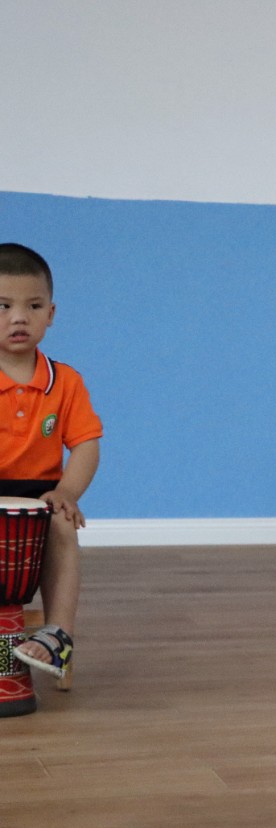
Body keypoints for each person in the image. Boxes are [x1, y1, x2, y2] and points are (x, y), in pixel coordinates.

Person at [0, 243, 101, 682]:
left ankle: (58, 635)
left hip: (39, 493)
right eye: (3, 306)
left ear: (51, 314)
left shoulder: (66, 381)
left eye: (34, 306)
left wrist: (67, 493)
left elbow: (86, 444)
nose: (19, 318)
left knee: (62, 522)